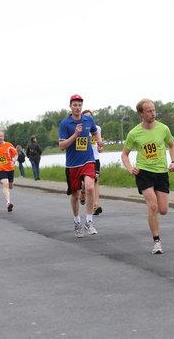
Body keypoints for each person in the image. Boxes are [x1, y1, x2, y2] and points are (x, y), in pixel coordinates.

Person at [121, 98, 174, 254]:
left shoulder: (163, 129)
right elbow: (124, 154)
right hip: (144, 172)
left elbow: (172, 145)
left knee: (163, 210)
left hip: (161, 172)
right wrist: (130, 168)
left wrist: (173, 162)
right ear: (141, 114)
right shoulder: (134, 133)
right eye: (149, 111)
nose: (153, 113)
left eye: (154, 110)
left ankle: (155, 219)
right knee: (152, 206)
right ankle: (157, 242)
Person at [58, 94, 103, 238]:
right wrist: (75, 135)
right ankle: (77, 221)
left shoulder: (88, 119)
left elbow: (95, 131)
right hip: (72, 164)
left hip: (88, 159)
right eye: (75, 105)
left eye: (79, 105)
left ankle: (89, 222)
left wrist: (100, 141)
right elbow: (61, 146)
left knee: (90, 187)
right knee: (75, 194)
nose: (77, 108)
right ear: (70, 106)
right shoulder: (65, 123)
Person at [82, 109, 103, 215]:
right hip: (84, 159)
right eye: (86, 116)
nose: (88, 118)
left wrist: (100, 147)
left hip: (95, 158)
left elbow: (100, 144)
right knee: (87, 182)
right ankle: (83, 190)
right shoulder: (80, 129)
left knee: (95, 181)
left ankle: (96, 205)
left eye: (90, 116)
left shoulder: (97, 128)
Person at [0, 131, 18, 212]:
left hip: (10, 168)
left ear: (3, 137)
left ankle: (10, 188)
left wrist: (13, 160)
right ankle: (8, 203)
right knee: (5, 184)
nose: (0, 137)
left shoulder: (9, 145)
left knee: (10, 186)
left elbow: (16, 154)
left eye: (1, 136)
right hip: (1, 169)